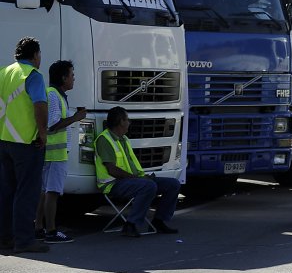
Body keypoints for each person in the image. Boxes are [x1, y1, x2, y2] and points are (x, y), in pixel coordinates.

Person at [94, 106, 181, 237]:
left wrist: (141, 177)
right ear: (120, 122)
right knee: (148, 186)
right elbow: (111, 170)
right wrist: (136, 178)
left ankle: (159, 221)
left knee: (173, 184)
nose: (129, 123)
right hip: (113, 184)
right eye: (127, 120)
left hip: (131, 180)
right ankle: (130, 225)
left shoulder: (124, 139)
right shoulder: (104, 140)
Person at [0, 37, 49, 254]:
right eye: (40, 55)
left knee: (6, 192)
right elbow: (39, 105)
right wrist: (43, 133)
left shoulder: (4, 73)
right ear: (36, 55)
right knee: (26, 193)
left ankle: (5, 238)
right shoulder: (33, 75)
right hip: (27, 142)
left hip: (4, 141)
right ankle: (24, 240)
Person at [35, 60, 86, 244]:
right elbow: (53, 125)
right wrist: (76, 118)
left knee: (44, 191)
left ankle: (39, 228)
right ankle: (51, 231)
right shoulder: (53, 95)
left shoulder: (56, 94)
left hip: (52, 152)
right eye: (72, 75)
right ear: (63, 78)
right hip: (55, 154)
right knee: (53, 192)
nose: (74, 78)